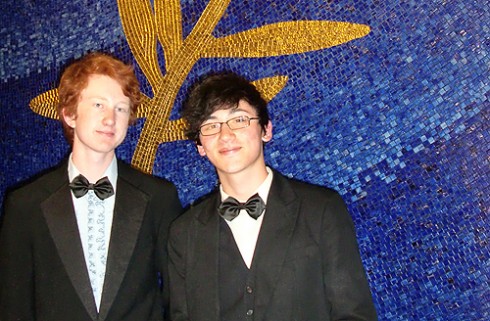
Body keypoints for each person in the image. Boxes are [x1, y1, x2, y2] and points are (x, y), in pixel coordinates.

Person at [168, 72, 377, 321]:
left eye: (239, 120)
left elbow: (354, 314)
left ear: (266, 129)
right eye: (211, 126)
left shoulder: (321, 209)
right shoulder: (184, 233)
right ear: (200, 145)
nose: (225, 135)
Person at [0, 52, 182, 321]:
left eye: (121, 108)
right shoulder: (25, 205)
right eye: (98, 104)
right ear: (69, 114)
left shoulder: (158, 197)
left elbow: (182, 298)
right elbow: (12, 308)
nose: (110, 118)